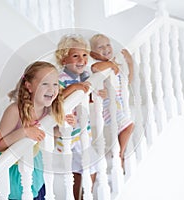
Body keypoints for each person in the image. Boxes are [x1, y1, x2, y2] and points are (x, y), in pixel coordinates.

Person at [0, 61, 75, 200]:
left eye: (55, 84)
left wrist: (63, 127)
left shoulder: (48, 110)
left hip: (31, 164)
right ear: (29, 87)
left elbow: (49, 133)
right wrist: (24, 132)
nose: (52, 88)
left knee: (34, 190)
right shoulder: (15, 110)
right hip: (10, 170)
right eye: (45, 83)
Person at [54, 34, 99, 200]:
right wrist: (76, 87)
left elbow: (89, 93)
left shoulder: (84, 75)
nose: (81, 59)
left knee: (78, 168)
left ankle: (78, 197)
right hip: (70, 131)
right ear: (63, 59)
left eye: (85, 55)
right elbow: (57, 100)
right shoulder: (61, 78)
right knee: (93, 164)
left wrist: (95, 93)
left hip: (81, 130)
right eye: (75, 56)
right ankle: (87, 196)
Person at [89, 33, 134, 169]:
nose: (106, 48)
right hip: (108, 105)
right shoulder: (100, 65)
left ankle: (119, 153)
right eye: (100, 47)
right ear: (93, 53)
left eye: (108, 45)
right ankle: (119, 154)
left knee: (123, 128)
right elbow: (95, 68)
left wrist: (130, 63)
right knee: (129, 126)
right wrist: (111, 64)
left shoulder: (115, 65)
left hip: (118, 103)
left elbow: (128, 81)